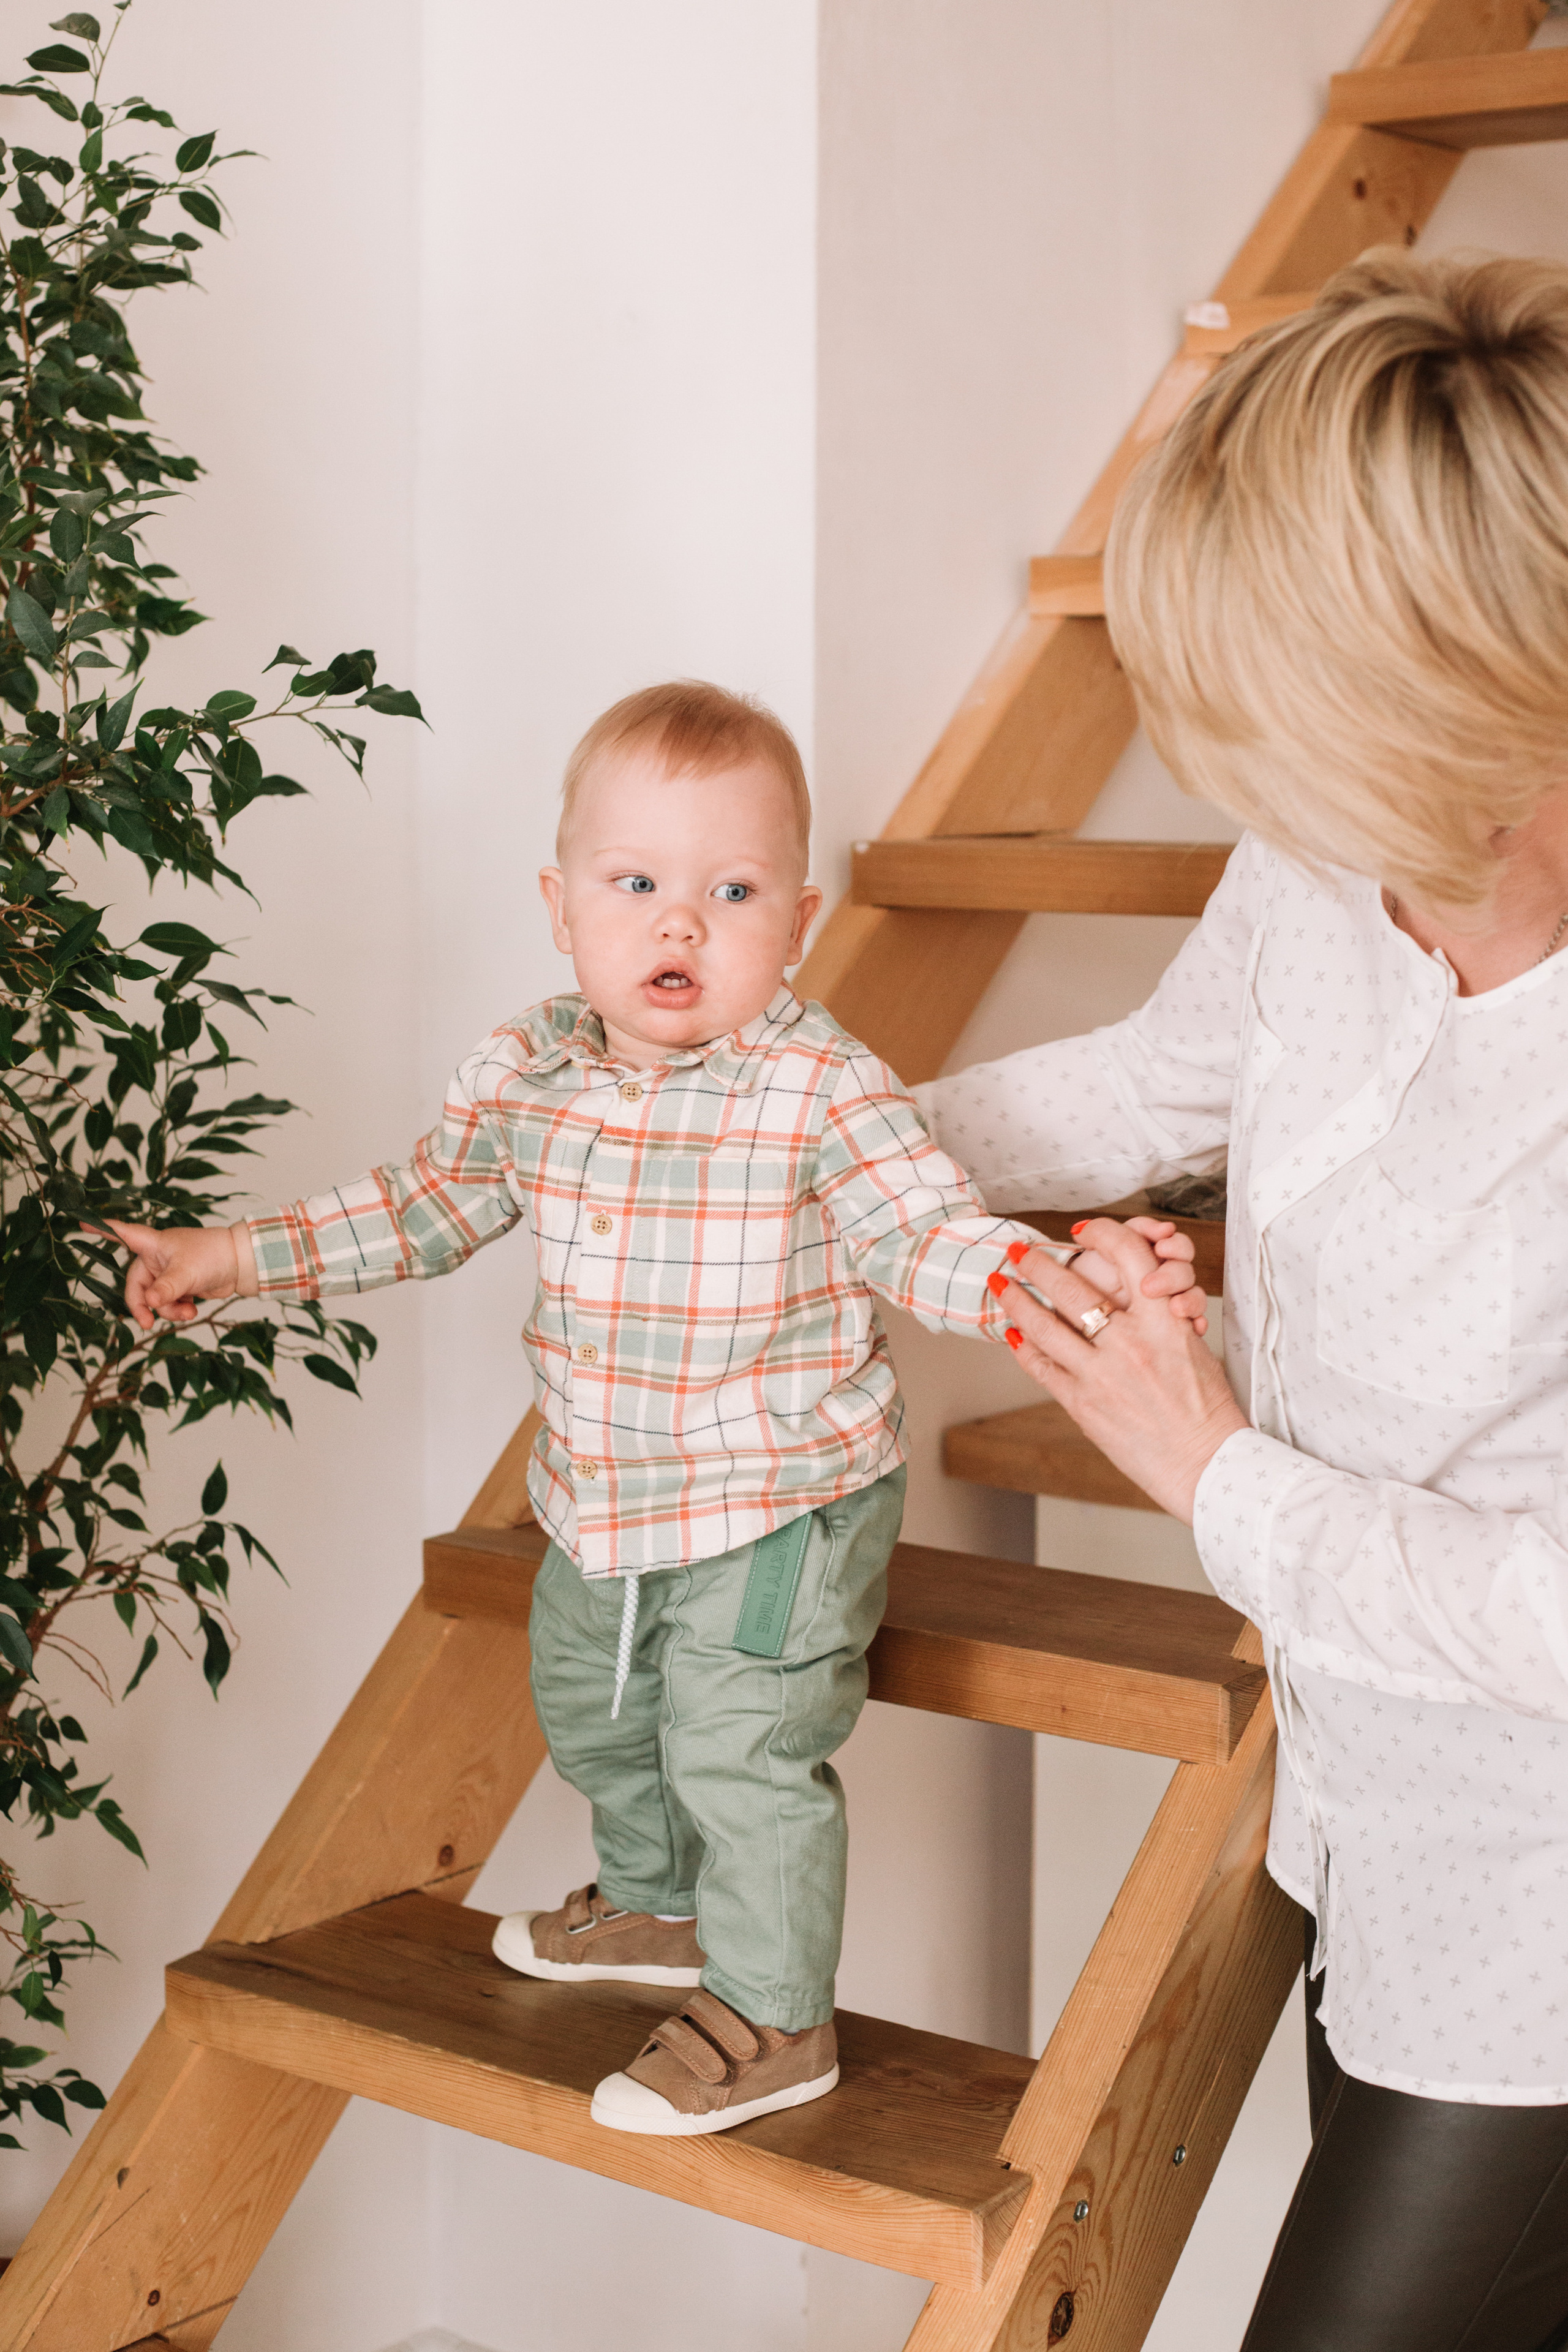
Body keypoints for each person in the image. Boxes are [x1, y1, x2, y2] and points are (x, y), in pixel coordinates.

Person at [105, 679, 1202, 2139]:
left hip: (777, 1499)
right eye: (636, 886)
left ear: (796, 923)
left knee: (740, 1747)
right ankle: (658, 1904)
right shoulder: (527, 1072)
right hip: (602, 1496)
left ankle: (773, 2015)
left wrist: (1052, 1286)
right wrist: (236, 1257)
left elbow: (922, 1232)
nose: (679, 924)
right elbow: (423, 1208)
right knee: (595, 1710)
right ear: (560, 907)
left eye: (730, 893)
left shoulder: (821, 1090)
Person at [918, 251, 1568, 2350]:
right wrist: (820, 1156)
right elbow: (1155, 1083)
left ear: (1469, 722)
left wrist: (1204, 1465)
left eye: (1282, 738)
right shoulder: (1321, 857)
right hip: (1368, 1813)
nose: (1240, 794)